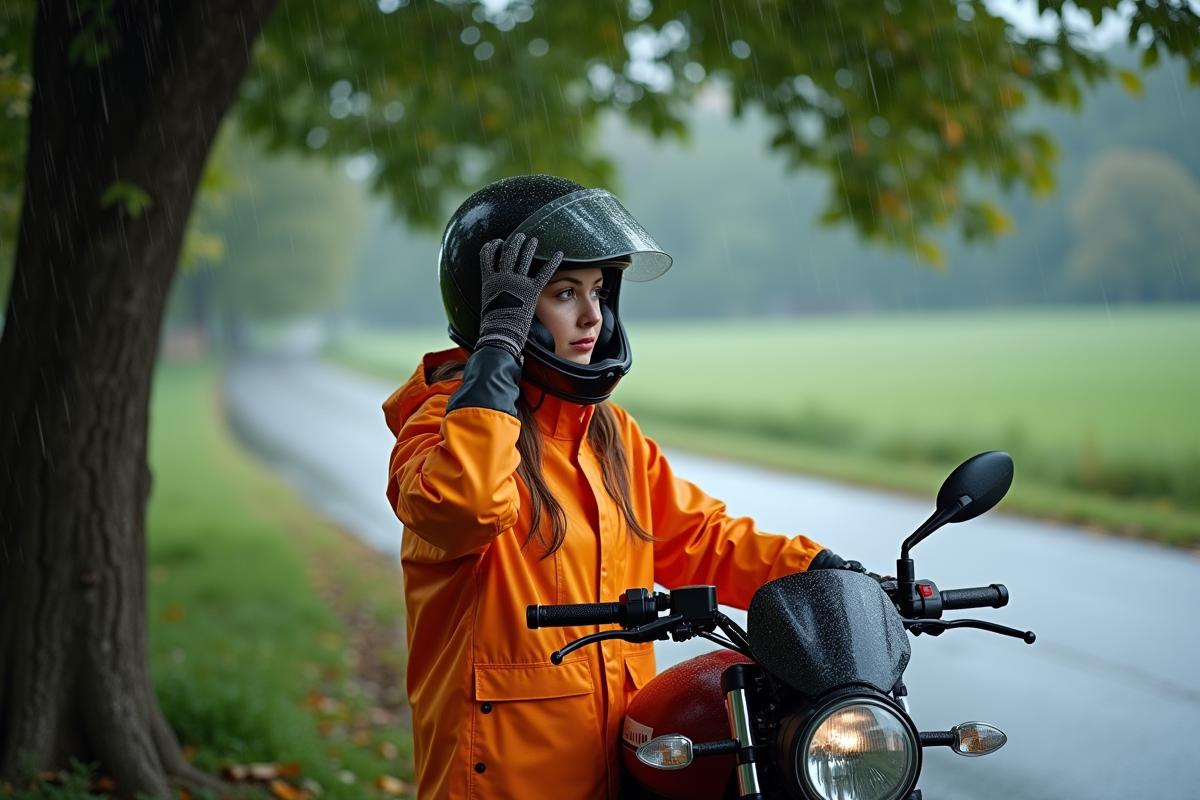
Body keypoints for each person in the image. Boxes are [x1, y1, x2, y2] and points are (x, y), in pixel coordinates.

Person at [383, 175, 864, 800]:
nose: (592, 316)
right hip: (505, 778)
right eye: (563, 293)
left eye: (599, 292)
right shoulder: (442, 427)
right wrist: (496, 357)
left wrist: (820, 573)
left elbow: (699, 538)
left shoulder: (605, 432)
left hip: (625, 766)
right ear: (500, 309)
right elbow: (465, 507)